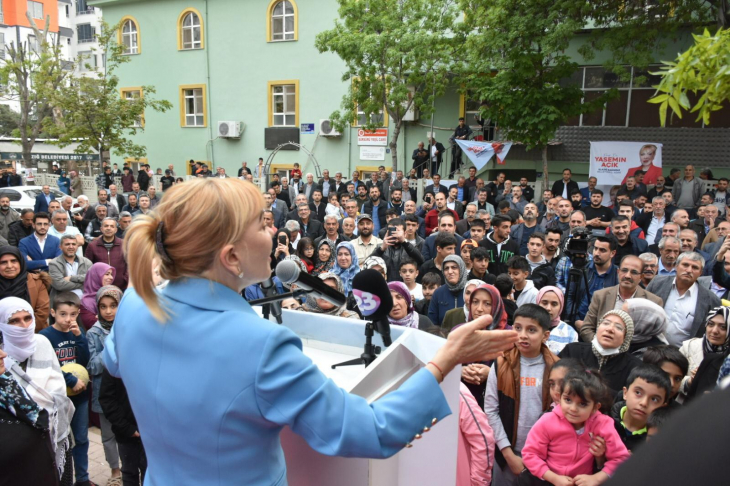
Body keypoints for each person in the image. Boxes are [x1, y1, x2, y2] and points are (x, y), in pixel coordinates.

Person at [107, 178, 522, 483]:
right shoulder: (259, 345)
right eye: (260, 223)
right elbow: (371, 431)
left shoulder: (133, 304)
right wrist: (446, 359)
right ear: (232, 257)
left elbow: (116, 360)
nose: (273, 232)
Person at [1, 297, 75, 484]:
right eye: (14, 321)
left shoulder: (42, 343)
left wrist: (35, 406)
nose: (23, 325)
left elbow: (58, 393)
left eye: (27, 318)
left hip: (54, 437)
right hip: (17, 453)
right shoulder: (2, 356)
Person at [484, 304, 559, 486]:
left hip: (544, 456)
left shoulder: (557, 368)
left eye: (531, 330)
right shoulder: (501, 364)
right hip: (506, 454)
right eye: (518, 328)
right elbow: (490, 410)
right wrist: (508, 453)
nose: (523, 335)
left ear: (545, 335)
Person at [522, 368, 630, 485]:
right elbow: (530, 454)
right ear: (559, 398)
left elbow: (620, 458)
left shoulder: (603, 424)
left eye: (582, 404)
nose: (573, 408)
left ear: (595, 407)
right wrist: (553, 478)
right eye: (568, 400)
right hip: (547, 481)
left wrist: (597, 478)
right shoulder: (547, 421)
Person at [39, 292, 93, 486]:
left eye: (72, 314)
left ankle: (83, 478)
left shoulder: (78, 333)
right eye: (63, 314)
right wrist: (69, 380)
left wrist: (79, 337)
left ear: (78, 313)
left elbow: (85, 361)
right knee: (59, 440)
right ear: (53, 313)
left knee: (81, 438)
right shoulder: (44, 337)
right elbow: (47, 366)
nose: (68, 319)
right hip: (57, 399)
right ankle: (61, 479)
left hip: (80, 396)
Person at [577, 255, 663, 342]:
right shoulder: (600, 296)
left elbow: (653, 337)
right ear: (618, 272)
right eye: (624, 270)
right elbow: (586, 328)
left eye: (634, 272)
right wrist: (601, 346)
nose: (628, 276)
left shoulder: (653, 302)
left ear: (641, 277)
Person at [87, 285, 124, 483]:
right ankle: (115, 471)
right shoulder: (93, 333)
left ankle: (132, 469)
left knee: (130, 432)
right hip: (105, 393)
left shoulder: (128, 327)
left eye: (113, 306)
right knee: (109, 436)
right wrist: (110, 345)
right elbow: (92, 367)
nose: (108, 311)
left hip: (127, 392)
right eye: (103, 307)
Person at [645, 252, 721, 347]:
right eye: (685, 265)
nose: (689, 270)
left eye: (695, 267)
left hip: (682, 355)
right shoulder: (657, 283)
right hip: (650, 347)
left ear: (701, 272)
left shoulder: (711, 300)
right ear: (676, 266)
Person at [560, 309, 642, 395]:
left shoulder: (634, 367)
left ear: (626, 338)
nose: (610, 329)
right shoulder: (572, 350)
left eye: (618, 327)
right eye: (606, 323)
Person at [609, 364, 670, 452]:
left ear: (662, 406)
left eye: (654, 399)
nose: (644, 403)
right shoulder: (605, 416)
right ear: (625, 393)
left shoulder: (655, 437)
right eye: (638, 393)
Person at [678, 306, 729, 400]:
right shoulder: (689, 346)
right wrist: (689, 381)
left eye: (723, 327)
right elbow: (669, 379)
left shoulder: (728, 359)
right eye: (711, 324)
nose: (714, 331)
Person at [0, 245, 51, 331]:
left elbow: (42, 312)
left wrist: (24, 332)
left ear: (21, 262)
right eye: (3, 262)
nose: (9, 266)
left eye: (14, 261)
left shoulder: (37, 282)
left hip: (32, 333)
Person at [370, 218, 424, 282]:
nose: (395, 234)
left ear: (405, 233)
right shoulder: (381, 246)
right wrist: (382, 249)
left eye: (398, 231)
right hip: (385, 285)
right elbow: (368, 264)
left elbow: (421, 260)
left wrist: (404, 242)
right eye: (392, 231)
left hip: (405, 286)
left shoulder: (410, 247)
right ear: (387, 232)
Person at [85, 217, 128, 290]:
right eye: (106, 226)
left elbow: (131, 265)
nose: (109, 228)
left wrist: (125, 279)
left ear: (116, 230)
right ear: (101, 229)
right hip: (99, 288)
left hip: (121, 287)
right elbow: (88, 267)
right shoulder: (92, 246)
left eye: (112, 226)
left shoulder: (125, 244)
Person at [48, 234, 92, 305]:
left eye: (74, 244)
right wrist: (82, 284)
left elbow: (91, 280)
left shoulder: (87, 262)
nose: (71, 247)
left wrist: (72, 278)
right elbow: (59, 285)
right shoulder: (54, 263)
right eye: (67, 244)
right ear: (60, 247)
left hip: (83, 303)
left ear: (77, 246)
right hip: (61, 303)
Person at [536, 286, 578, 355]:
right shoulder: (528, 326)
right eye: (544, 303)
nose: (548, 308)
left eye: (554, 304)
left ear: (561, 306)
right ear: (538, 303)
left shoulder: (570, 333)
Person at [428, 255, 467, 326]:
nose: (450, 271)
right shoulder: (438, 293)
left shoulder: (470, 291)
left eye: (454, 267)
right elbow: (432, 323)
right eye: (446, 268)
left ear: (461, 269)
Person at [78, 263, 115, 331]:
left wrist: (100, 318)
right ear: (96, 276)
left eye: (111, 274)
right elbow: (91, 324)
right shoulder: (85, 301)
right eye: (107, 274)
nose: (111, 277)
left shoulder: (114, 294)